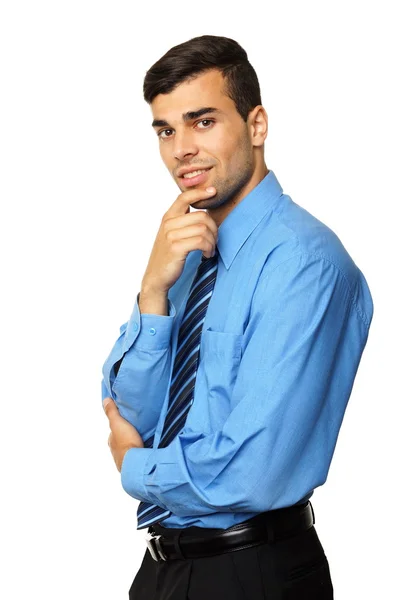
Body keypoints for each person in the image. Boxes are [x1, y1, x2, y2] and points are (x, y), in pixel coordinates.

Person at [101, 34, 374, 600]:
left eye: (202, 122)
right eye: (166, 130)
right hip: (162, 568)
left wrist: (135, 466)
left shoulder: (306, 264)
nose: (181, 150)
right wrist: (152, 291)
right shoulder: (183, 256)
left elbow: (251, 471)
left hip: (253, 571)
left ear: (256, 126)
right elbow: (135, 412)